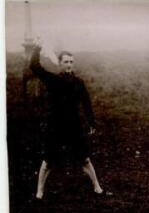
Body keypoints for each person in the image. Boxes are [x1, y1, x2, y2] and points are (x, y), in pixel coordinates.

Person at [30, 41, 103, 199]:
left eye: (71, 62)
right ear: (60, 64)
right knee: (48, 161)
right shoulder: (52, 80)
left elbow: (86, 103)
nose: (69, 65)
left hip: (73, 126)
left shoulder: (78, 83)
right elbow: (34, 67)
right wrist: (37, 48)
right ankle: (40, 191)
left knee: (84, 158)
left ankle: (97, 186)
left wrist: (91, 123)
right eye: (66, 62)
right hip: (55, 126)